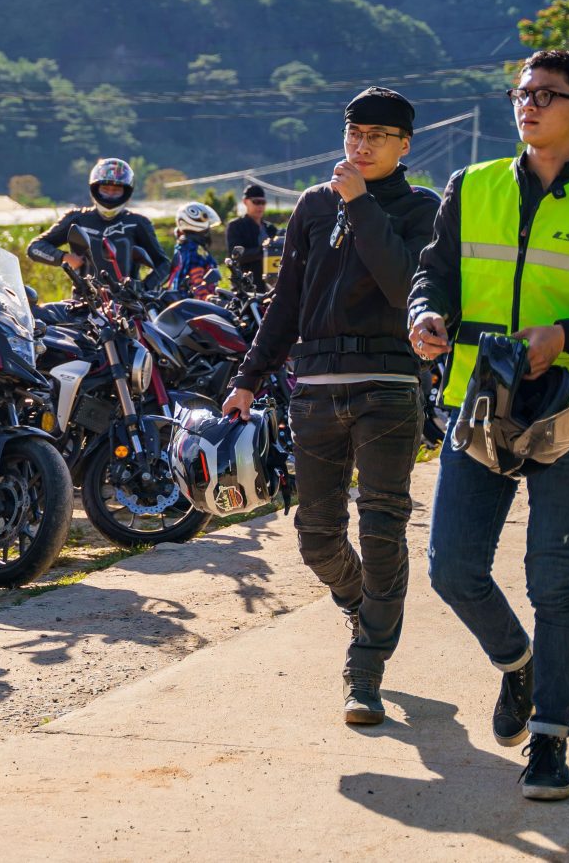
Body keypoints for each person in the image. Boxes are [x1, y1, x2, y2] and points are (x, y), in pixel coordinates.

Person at [410, 51, 569, 803]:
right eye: (523, 92)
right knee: (452, 568)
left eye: (548, 94)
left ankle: (551, 739)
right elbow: (434, 273)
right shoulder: (472, 185)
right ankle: (517, 664)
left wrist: (566, 336)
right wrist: (424, 314)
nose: (529, 103)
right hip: (477, 406)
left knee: (555, 581)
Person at [223, 88, 439, 727]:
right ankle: (366, 608)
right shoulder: (315, 205)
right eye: (354, 134)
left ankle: (365, 669)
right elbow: (287, 301)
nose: (361, 146)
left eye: (377, 136)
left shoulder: (423, 208)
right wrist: (248, 377)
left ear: (404, 145)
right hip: (314, 388)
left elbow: (404, 286)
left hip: (388, 386)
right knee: (316, 537)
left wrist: (362, 204)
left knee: (381, 526)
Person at [25, 158, 169, 286]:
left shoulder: (137, 222)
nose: (110, 194)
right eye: (105, 189)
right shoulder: (77, 218)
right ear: (95, 189)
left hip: (127, 303)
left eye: (116, 190)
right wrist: (64, 257)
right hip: (84, 301)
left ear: (126, 192)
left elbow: (164, 265)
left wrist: (143, 287)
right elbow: (35, 248)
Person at [224, 182, 281, 286]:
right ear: (245, 202)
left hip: (270, 287)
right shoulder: (236, 226)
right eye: (256, 202)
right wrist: (265, 250)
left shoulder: (271, 229)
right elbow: (236, 256)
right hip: (245, 287)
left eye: (263, 202)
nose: (260, 206)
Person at [165, 202, 222, 294]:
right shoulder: (194, 250)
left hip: (182, 299)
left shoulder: (183, 246)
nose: (208, 232)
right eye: (207, 229)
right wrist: (208, 297)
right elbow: (197, 283)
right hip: (196, 301)